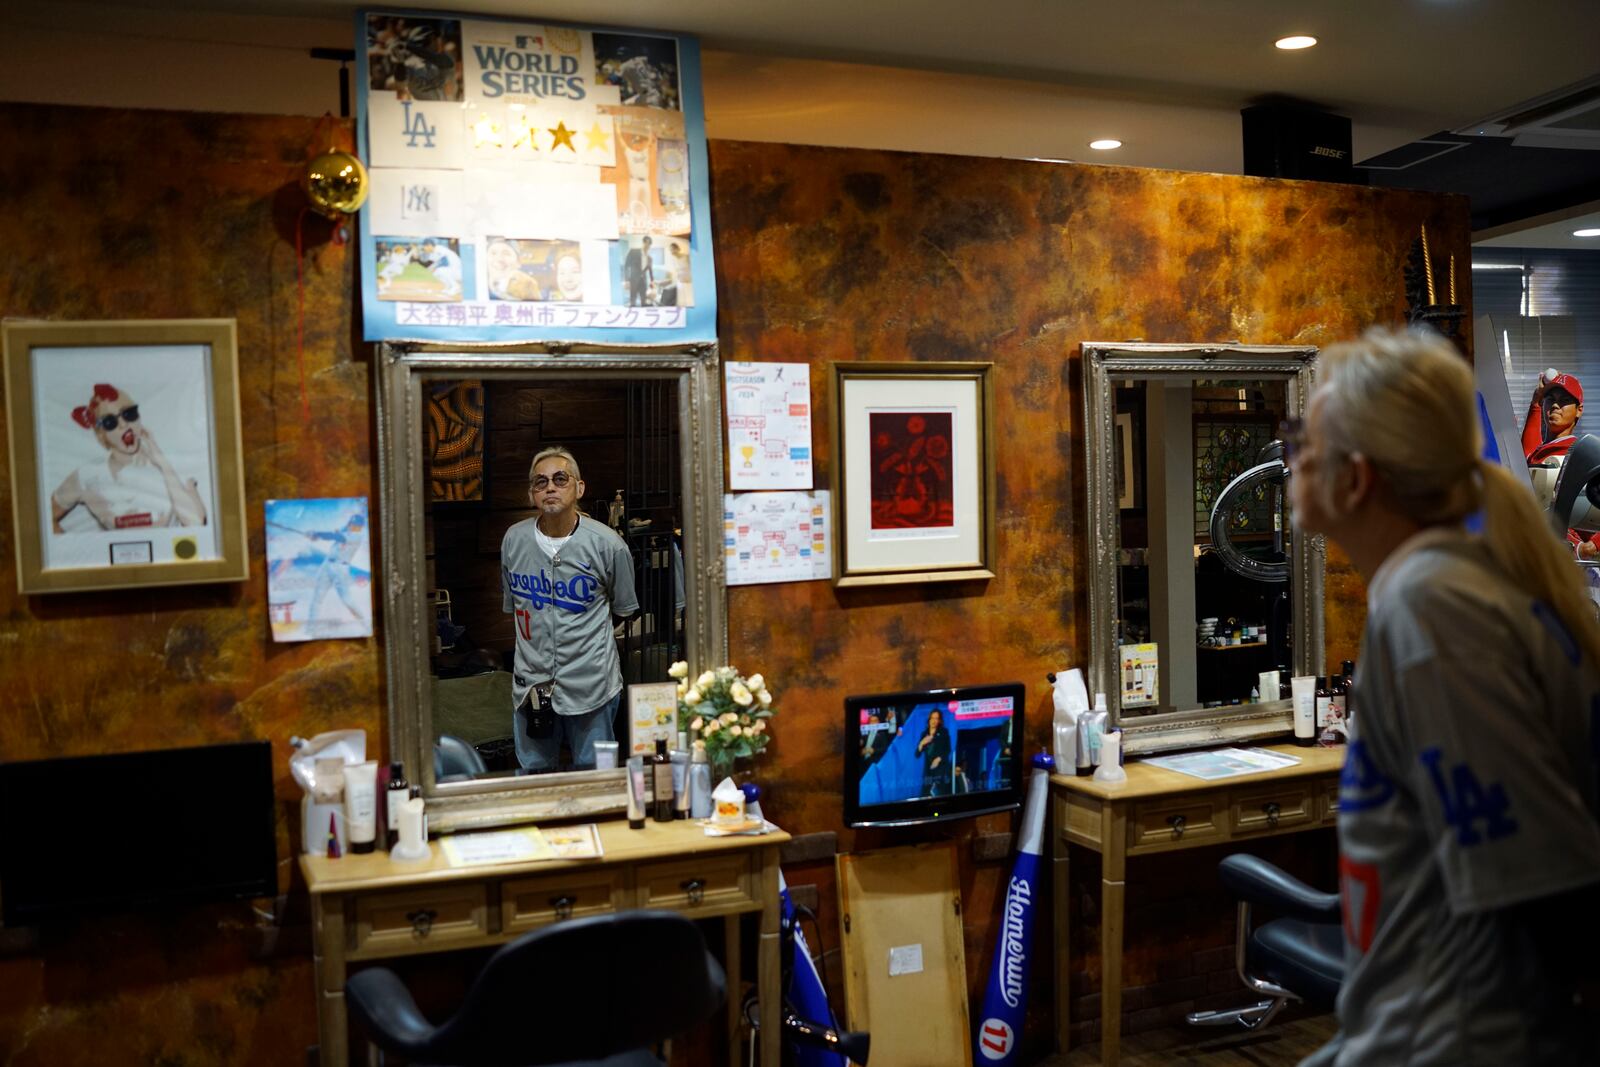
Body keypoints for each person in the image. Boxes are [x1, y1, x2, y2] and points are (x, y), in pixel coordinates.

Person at [1288, 327, 1600, 1067]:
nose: (1291, 453)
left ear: (1358, 477)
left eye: (1304, 437)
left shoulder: (1433, 607)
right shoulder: (1451, 581)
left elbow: (1550, 889)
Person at [502, 447, 639, 773]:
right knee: (534, 780)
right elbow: (516, 607)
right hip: (531, 688)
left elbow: (622, 609)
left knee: (596, 778)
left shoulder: (609, 545)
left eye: (560, 479)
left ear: (579, 488)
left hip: (592, 686)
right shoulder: (513, 541)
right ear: (531, 493)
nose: (550, 487)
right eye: (540, 482)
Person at [50, 383, 207, 532]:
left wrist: (162, 463)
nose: (124, 425)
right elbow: (44, 519)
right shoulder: (88, 476)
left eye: (129, 414)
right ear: (100, 434)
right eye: (110, 422)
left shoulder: (171, 461)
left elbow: (195, 522)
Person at [1521, 369, 1584, 465]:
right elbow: (1527, 453)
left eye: (1564, 400)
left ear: (1578, 410)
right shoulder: (1538, 452)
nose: (1555, 405)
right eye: (1550, 399)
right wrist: (1537, 398)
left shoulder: (1578, 453)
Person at [916, 708, 951, 797]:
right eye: (932, 718)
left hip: (941, 769)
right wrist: (921, 743)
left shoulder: (943, 732)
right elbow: (917, 754)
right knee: (925, 794)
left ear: (939, 721)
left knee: (941, 795)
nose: (934, 721)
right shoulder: (924, 734)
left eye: (936, 718)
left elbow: (948, 749)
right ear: (929, 719)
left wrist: (939, 759)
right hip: (928, 770)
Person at [622, 236, 653, 307]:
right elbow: (626, 266)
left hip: (644, 281)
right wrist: (626, 280)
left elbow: (651, 272)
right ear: (643, 242)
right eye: (646, 242)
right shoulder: (633, 252)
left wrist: (652, 281)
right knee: (633, 302)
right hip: (633, 280)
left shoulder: (649, 258)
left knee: (644, 302)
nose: (647, 245)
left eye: (649, 243)